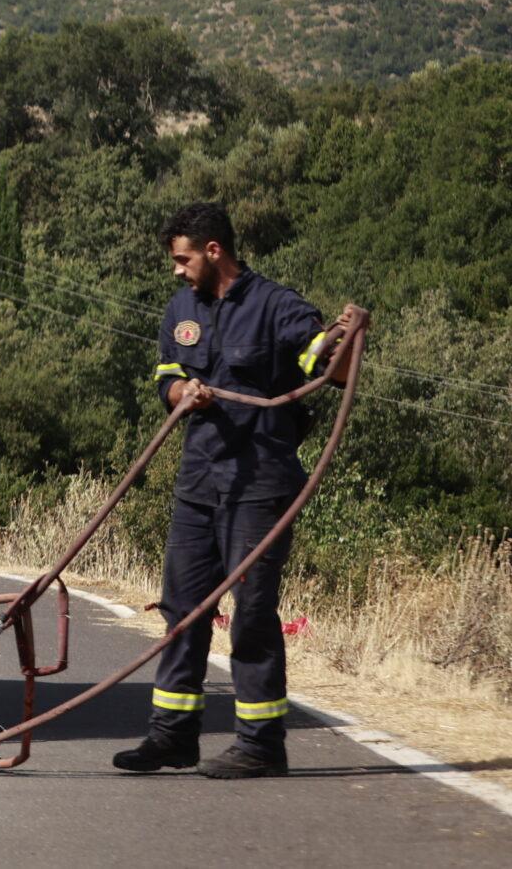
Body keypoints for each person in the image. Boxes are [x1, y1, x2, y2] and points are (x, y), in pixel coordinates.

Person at [113, 203, 336, 781]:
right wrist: (180, 389)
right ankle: (172, 737)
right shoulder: (181, 308)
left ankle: (261, 744)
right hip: (198, 481)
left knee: (252, 614)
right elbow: (164, 375)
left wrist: (336, 343)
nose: (177, 271)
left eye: (183, 259)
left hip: (260, 483)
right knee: (182, 610)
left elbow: (321, 360)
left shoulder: (274, 304)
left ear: (214, 251)